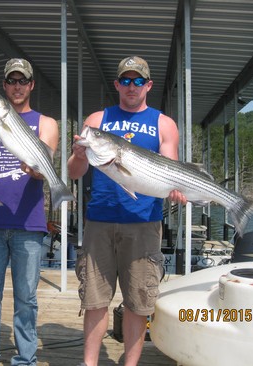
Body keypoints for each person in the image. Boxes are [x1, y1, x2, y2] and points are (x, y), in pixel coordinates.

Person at [67, 56, 187, 366]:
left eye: (138, 81)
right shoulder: (96, 121)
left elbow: (170, 168)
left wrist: (177, 188)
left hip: (144, 224)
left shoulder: (164, 123)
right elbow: (73, 172)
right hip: (99, 222)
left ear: (148, 85)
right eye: (126, 80)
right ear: (117, 84)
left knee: (138, 301)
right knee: (95, 299)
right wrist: (80, 154)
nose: (131, 86)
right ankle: (89, 363)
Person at [0, 58, 59, 366]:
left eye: (23, 81)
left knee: (27, 300)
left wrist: (39, 172)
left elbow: (46, 161)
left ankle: (26, 359)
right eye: (12, 81)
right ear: (4, 86)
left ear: (31, 85)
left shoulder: (47, 123)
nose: (17, 86)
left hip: (29, 223)